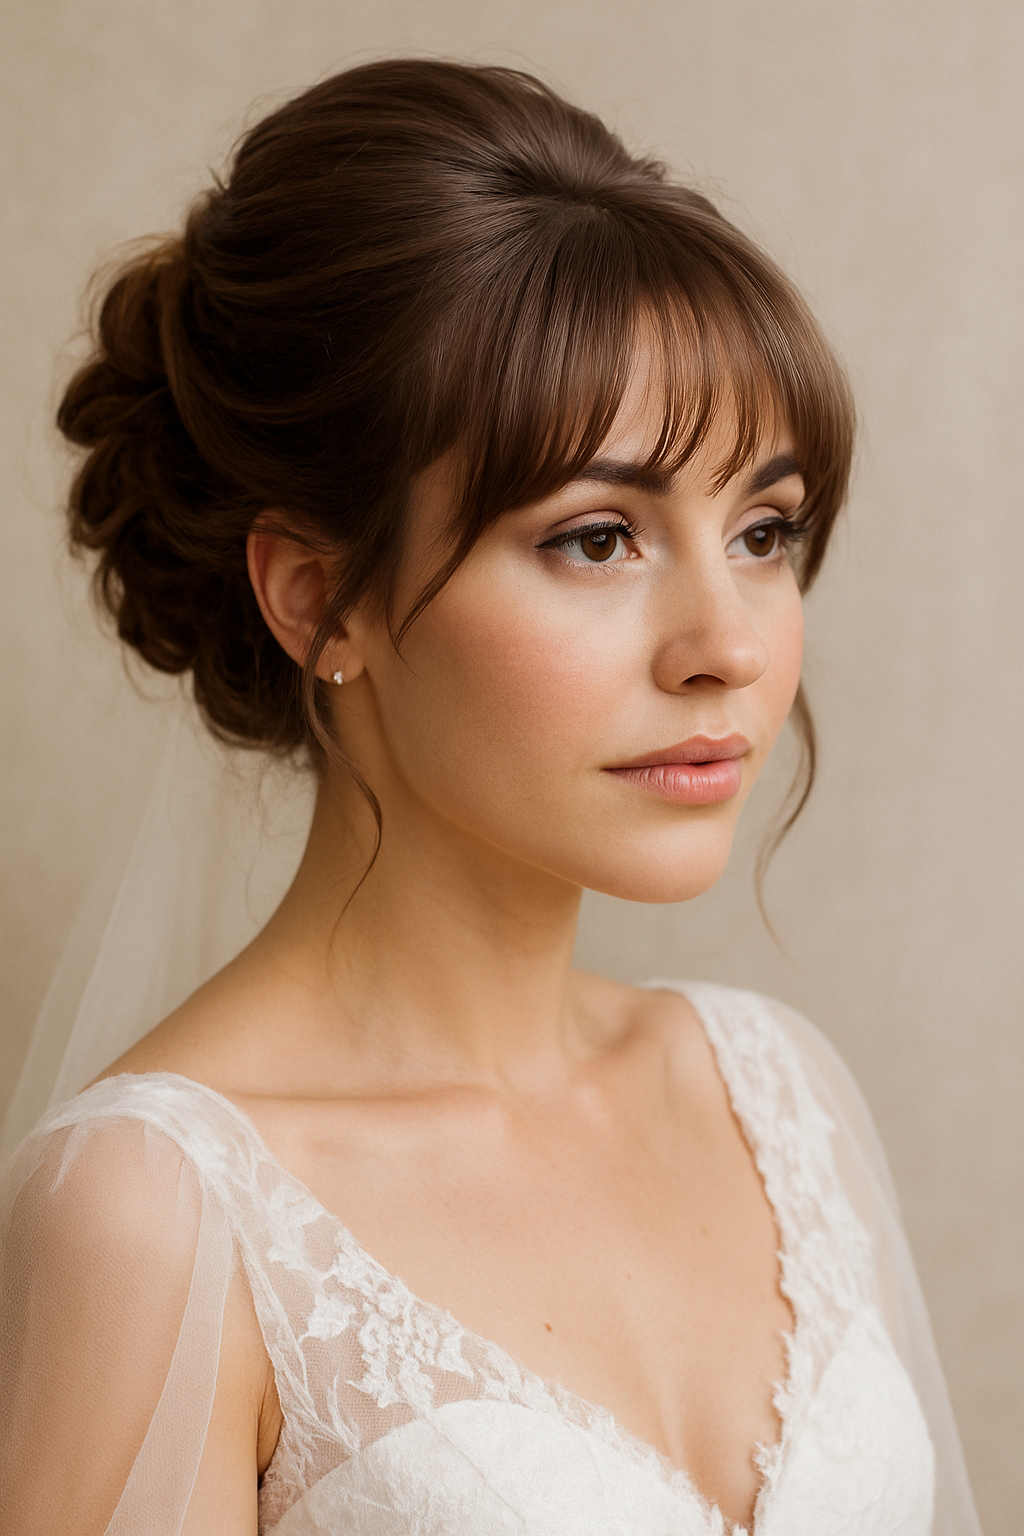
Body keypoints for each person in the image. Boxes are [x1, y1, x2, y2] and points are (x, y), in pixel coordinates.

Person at [0, 59, 980, 1536]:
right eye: (597, 538)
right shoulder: (153, 1209)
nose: (727, 649)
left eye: (764, 529)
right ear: (320, 597)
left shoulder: (778, 1094)